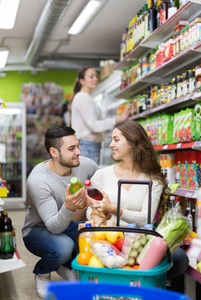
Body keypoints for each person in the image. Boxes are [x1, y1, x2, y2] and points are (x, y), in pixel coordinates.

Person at [86, 120, 189, 280]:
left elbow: (145, 218)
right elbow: (89, 212)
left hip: (139, 241)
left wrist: (113, 209)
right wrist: (100, 214)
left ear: (133, 142)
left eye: (116, 140)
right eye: (111, 139)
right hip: (108, 239)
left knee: (180, 259)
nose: (111, 144)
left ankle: (151, 284)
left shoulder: (153, 179)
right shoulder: (101, 175)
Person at [22, 125, 99, 299]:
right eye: (71, 148)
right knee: (63, 246)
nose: (79, 152)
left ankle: (66, 265)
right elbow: (53, 227)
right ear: (54, 152)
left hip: (67, 225)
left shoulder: (86, 165)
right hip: (38, 230)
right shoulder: (38, 180)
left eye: (78, 145)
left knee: (93, 233)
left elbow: (104, 180)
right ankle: (42, 271)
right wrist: (69, 206)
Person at [71, 65, 130, 165]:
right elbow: (94, 125)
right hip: (88, 144)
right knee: (88, 177)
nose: (95, 79)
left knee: (87, 177)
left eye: (96, 76)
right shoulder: (83, 97)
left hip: (88, 144)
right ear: (82, 81)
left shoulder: (87, 98)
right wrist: (117, 119)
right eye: (91, 76)